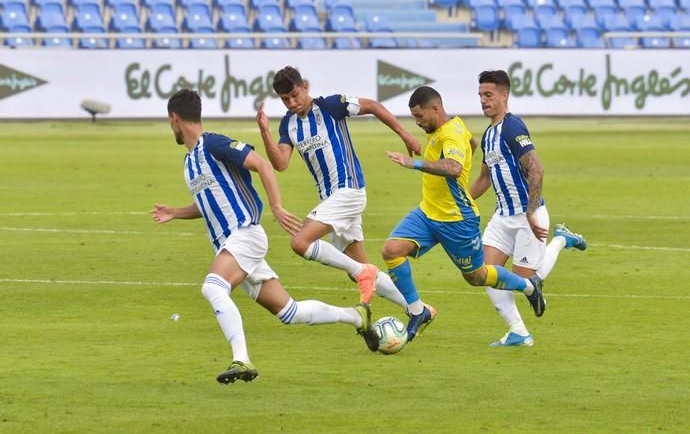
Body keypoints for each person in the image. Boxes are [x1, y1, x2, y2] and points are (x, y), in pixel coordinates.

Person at [151, 89, 380, 385]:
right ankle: (355, 317)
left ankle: (241, 359)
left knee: (213, 288)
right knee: (290, 312)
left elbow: (262, 164)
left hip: (244, 236)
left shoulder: (214, 144)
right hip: (232, 245)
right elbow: (210, 203)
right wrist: (176, 212)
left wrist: (276, 207)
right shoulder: (190, 162)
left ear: (175, 119)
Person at [381, 86, 545, 343]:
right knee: (391, 250)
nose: (418, 122)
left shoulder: (452, 133)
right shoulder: (449, 128)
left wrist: (412, 162)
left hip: (456, 219)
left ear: (435, 109)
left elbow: (455, 167)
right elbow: (471, 142)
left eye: (419, 116)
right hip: (428, 212)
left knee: (477, 276)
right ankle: (418, 311)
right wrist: (468, 149)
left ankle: (528, 286)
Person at [256, 65, 421, 309]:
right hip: (330, 200)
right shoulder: (288, 124)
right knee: (358, 269)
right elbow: (280, 163)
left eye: (294, 95)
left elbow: (373, 106)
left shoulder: (331, 106)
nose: (291, 102)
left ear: (305, 87)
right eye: (285, 99)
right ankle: (418, 309)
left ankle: (367, 276)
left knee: (300, 242)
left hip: (349, 191)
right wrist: (264, 132)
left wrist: (405, 135)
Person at [470, 70, 587, 347]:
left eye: (489, 95)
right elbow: (485, 178)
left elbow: (536, 168)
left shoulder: (513, 128)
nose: (483, 101)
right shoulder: (488, 136)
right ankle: (519, 332)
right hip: (502, 216)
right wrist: (462, 201)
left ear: (504, 95)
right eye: (480, 96)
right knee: (486, 273)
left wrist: (532, 210)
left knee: (525, 280)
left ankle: (561, 239)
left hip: (527, 215)